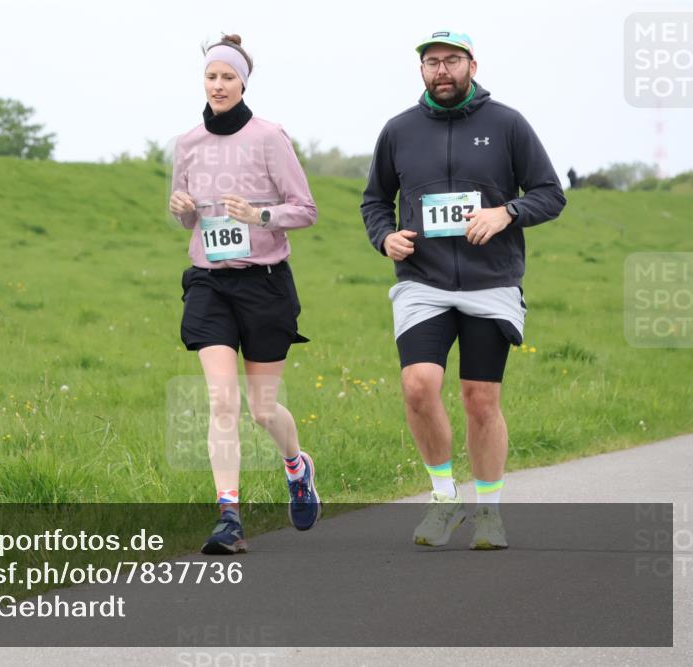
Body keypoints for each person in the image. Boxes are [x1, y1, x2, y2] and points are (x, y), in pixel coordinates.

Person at [361, 31, 566, 549]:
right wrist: (384, 237)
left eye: (452, 60)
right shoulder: (399, 130)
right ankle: (444, 498)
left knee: (480, 399)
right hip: (422, 282)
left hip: (490, 282)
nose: (442, 70)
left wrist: (506, 212)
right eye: (432, 62)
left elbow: (550, 194)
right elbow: (375, 200)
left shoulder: (507, 124)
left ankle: (489, 512)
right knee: (418, 385)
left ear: (473, 65)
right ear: (422, 71)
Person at [170, 34, 320, 555]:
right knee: (222, 400)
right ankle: (229, 518)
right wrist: (184, 210)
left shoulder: (269, 137)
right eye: (211, 76)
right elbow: (188, 218)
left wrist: (259, 215)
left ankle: (296, 467)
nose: (218, 85)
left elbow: (305, 209)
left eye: (227, 77)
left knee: (261, 408)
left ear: (243, 83)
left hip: (264, 282)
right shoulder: (188, 143)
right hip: (209, 281)